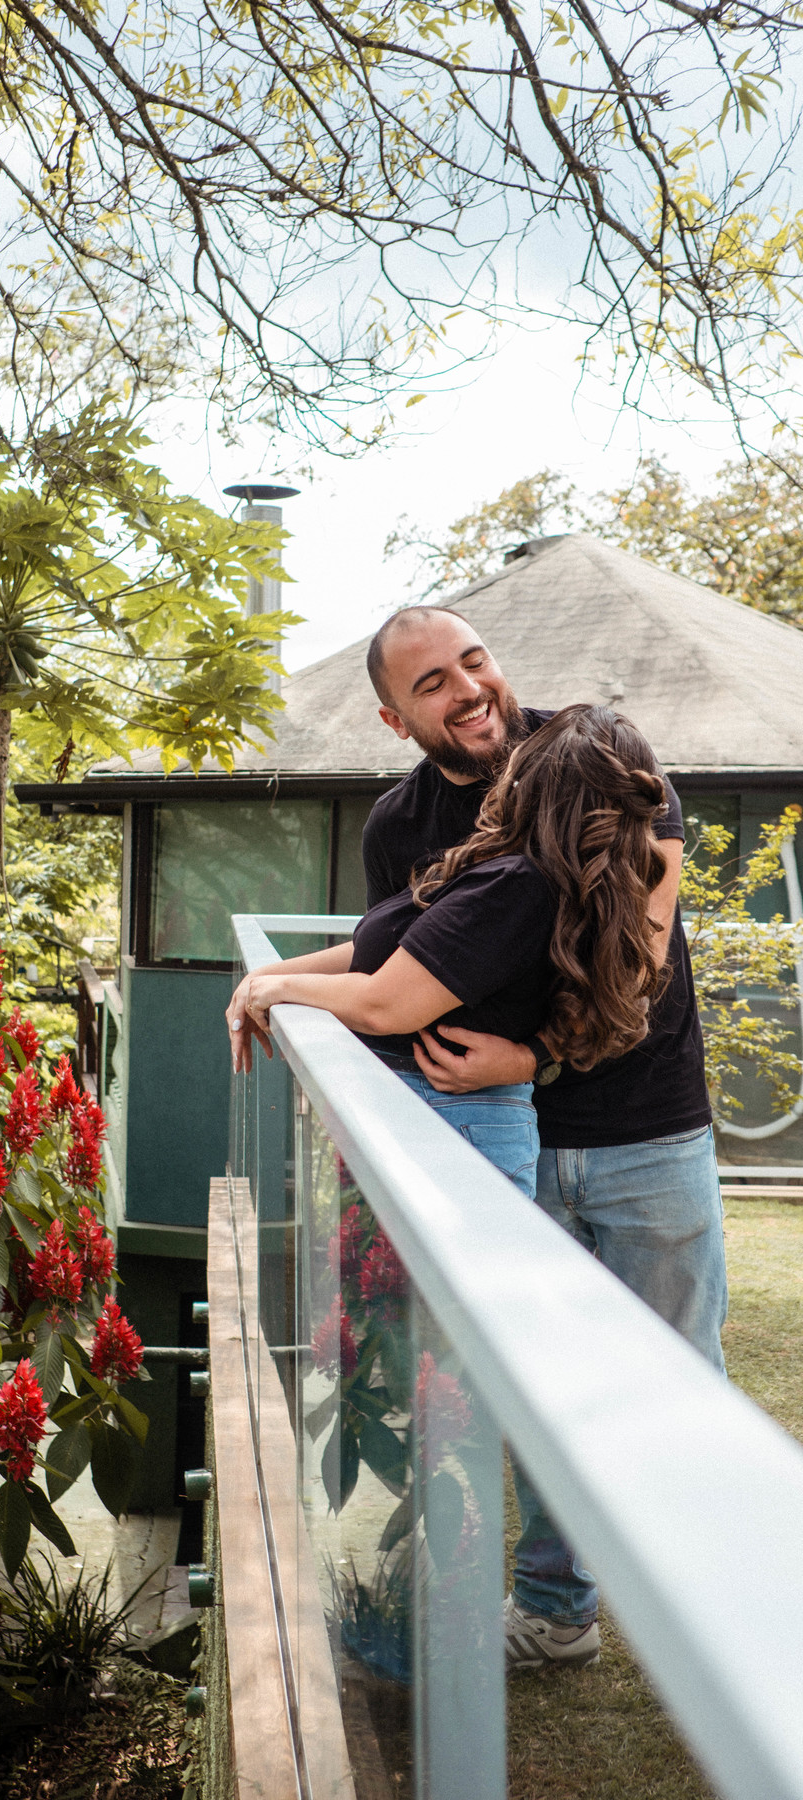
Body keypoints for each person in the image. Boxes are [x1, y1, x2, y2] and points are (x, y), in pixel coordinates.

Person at [360, 605, 725, 1674]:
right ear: (396, 717)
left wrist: (535, 1061)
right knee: (548, 1386)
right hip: (493, 1142)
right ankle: (560, 1609)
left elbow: (644, 966)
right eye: (432, 682)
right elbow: (410, 971)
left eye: (473, 660)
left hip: (646, 1131)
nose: (467, 688)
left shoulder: (607, 762)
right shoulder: (398, 825)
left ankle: (716, 1610)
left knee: (675, 1373)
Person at [228, 707, 671, 1223]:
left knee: (420, 1299)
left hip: (450, 1122)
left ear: (538, 780)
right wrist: (269, 976)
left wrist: (277, 991)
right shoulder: (513, 869)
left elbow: (384, 1004)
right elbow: (396, 958)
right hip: (434, 1115)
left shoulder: (515, 886)